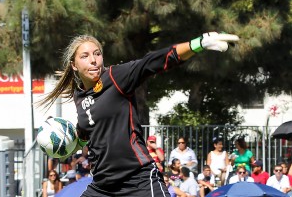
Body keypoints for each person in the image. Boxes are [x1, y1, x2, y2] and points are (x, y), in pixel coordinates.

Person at [38, 32, 239, 196]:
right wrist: (73, 142)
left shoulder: (116, 77)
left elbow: (154, 61)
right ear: (74, 65)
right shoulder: (79, 95)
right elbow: (90, 127)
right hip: (103, 187)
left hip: (138, 181)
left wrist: (199, 43)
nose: (93, 60)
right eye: (85, 56)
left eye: (97, 54)